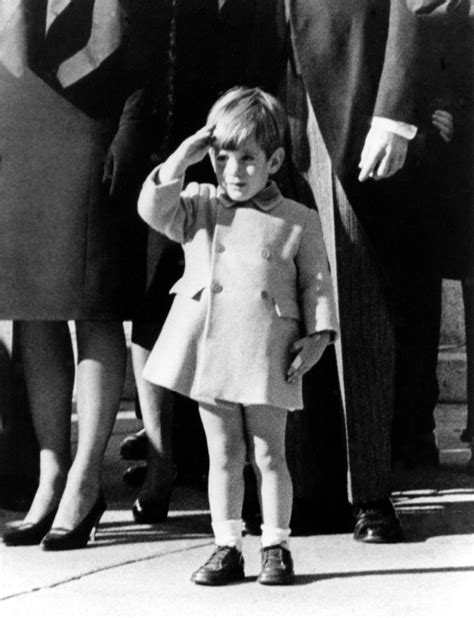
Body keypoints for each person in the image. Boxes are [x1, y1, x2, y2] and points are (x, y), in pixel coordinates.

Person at [137, 87, 338, 585]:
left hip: (270, 350)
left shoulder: (298, 220)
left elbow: (317, 284)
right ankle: (226, 546)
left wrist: (319, 336)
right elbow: (153, 210)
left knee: (270, 453)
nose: (234, 171)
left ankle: (276, 544)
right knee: (223, 454)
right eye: (223, 157)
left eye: (248, 159)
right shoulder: (198, 207)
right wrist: (181, 159)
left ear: (274, 161)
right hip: (211, 349)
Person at [111, 0, 287, 522]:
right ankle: (162, 460)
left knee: (235, 304)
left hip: (243, 152)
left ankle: (246, 472)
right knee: (153, 307)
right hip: (171, 147)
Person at [280, 0, 433, 542]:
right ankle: (303, 488)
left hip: (345, 96)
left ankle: (368, 491)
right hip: (262, 100)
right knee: (278, 297)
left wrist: (393, 112)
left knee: (355, 293)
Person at [1, 1, 133, 549]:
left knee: (90, 297)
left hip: (88, 108)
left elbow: (123, 36)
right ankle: (50, 471)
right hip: (15, 111)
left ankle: (84, 476)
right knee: (34, 300)